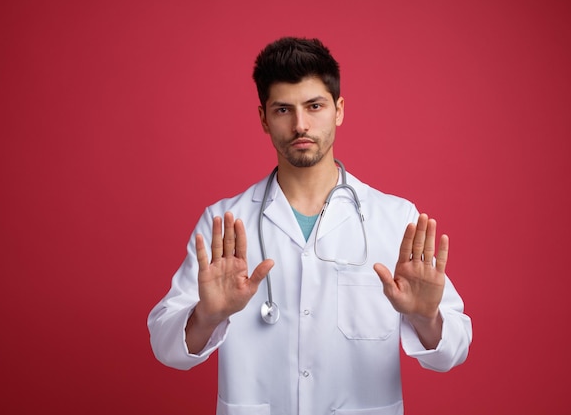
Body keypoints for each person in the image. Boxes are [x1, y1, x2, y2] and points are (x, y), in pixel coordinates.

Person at [148, 36, 472, 415]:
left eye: (314, 106)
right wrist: (208, 316)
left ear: (338, 110)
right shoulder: (224, 223)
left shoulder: (395, 219)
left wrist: (424, 317)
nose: (300, 125)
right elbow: (166, 346)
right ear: (264, 119)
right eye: (283, 109)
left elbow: (453, 350)